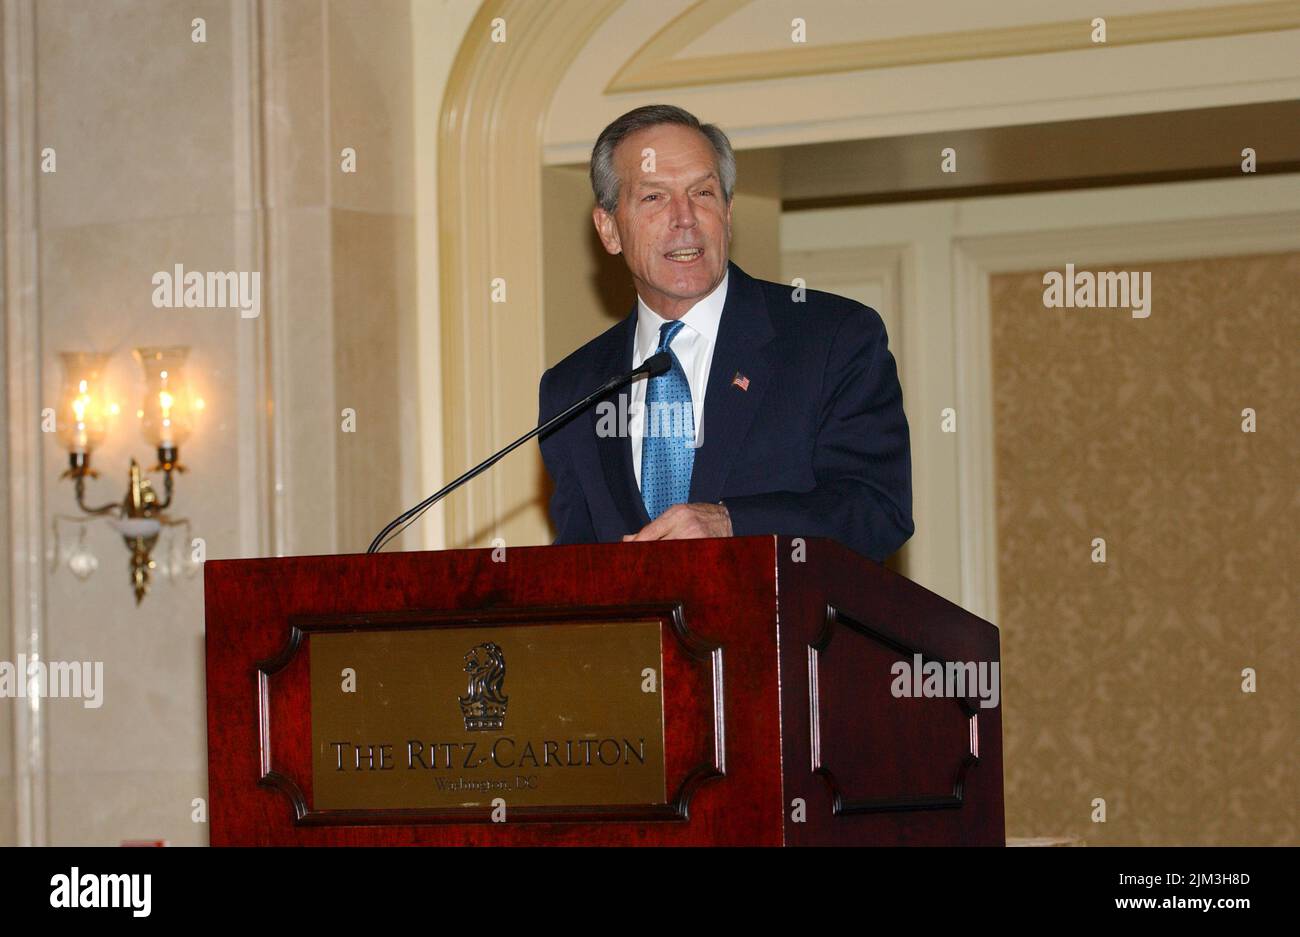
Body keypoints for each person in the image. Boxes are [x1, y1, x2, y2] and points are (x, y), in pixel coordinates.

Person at [537, 104, 913, 563]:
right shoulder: (573, 388)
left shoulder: (832, 339)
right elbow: (577, 562)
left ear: (728, 214)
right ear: (610, 229)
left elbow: (877, 509)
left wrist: (731, 523)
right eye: (654, 197)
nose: (685, 218)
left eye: (703, 193)